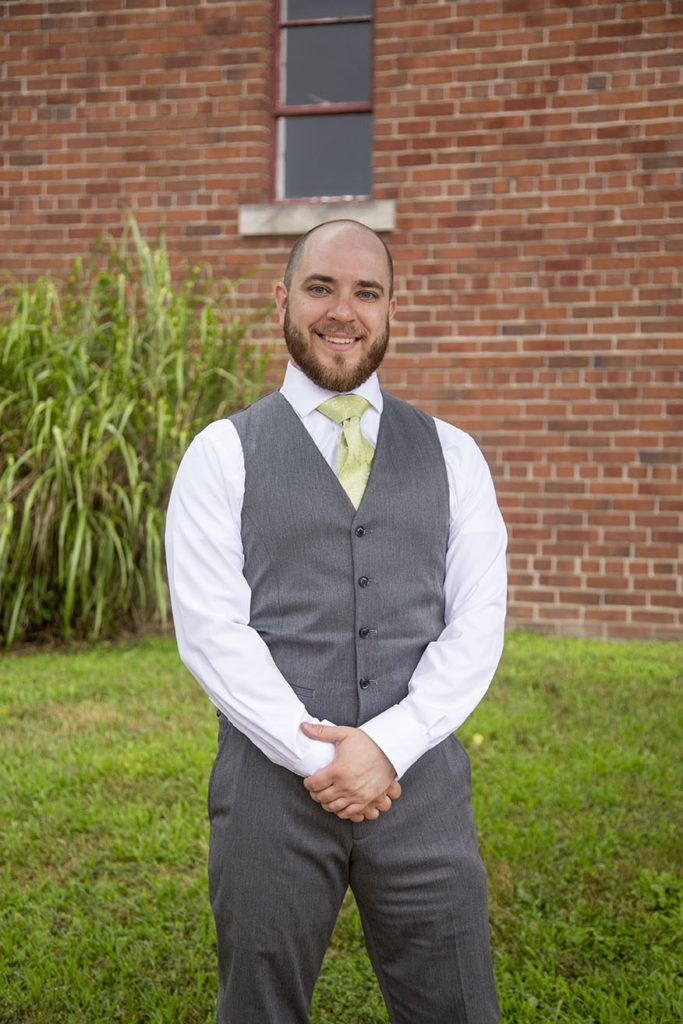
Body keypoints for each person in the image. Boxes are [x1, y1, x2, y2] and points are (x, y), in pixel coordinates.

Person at [165, 219, 508, 1024]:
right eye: (320, 287)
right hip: (268, 790)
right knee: (260, 1008)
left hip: (419, 786)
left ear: (392, 309)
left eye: (366, 292)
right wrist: (319, 756)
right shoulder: (221, 454)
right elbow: (213, 631)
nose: (341, 311)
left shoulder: (454, 454)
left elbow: (476, 622)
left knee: (454, 1005)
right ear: (282, 299)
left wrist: (386, 746)